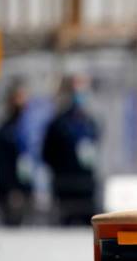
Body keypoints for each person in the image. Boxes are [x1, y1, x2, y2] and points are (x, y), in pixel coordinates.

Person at [42, 74, 99, 225]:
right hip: (65, 185)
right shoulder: (58, 124)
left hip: (86, 186)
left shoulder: (90, 123)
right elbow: (47, 154)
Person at [0, 80, 32, 226]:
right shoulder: (4, 132)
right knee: (13, 225)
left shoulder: (25, 130)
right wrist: (12, 189)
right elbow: (3, 164)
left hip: (24, 187)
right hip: (10, 190)